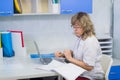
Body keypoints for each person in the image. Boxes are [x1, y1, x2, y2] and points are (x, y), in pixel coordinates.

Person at [55, 12, 104, 80]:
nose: (75, 30)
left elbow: (89, 67)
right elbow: (78, 54)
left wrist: (70, 58)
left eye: (77, 27)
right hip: (80, 72)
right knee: (59, 77)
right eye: (74, 27)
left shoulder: (90, 42)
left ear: (86, 26)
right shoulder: (81, 38)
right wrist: (65, 55)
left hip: (91, 76)